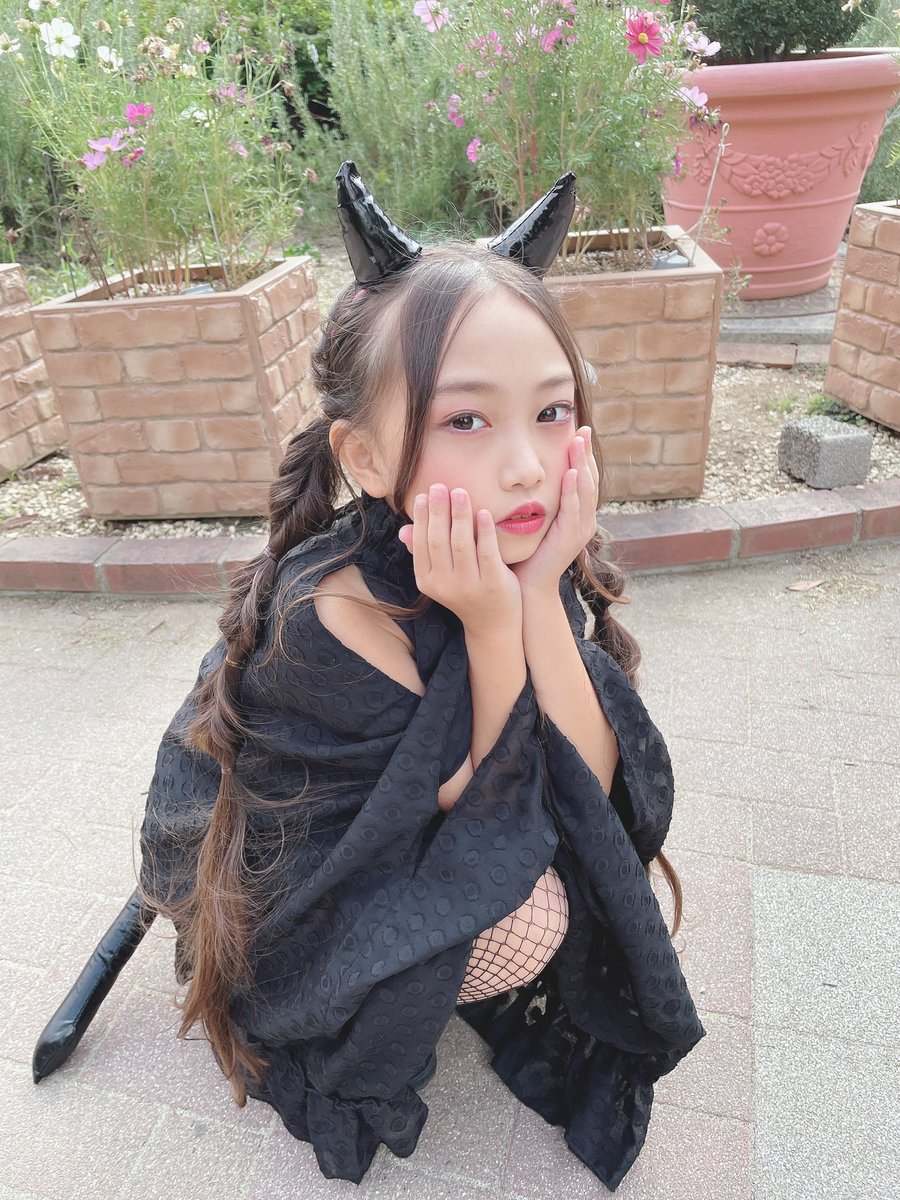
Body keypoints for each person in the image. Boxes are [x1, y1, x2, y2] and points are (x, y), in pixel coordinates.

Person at [138, 162, 704, 1191]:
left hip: (466, 808)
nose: (526, 466)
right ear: (363, 458)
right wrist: (491, 627)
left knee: (564, 869)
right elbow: (462, 825)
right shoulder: (338, 614)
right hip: (310, 882)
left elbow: (592, 783)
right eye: (466, 421)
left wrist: (538, 597)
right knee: (530, 914)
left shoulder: (517, 545)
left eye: (553, 412)